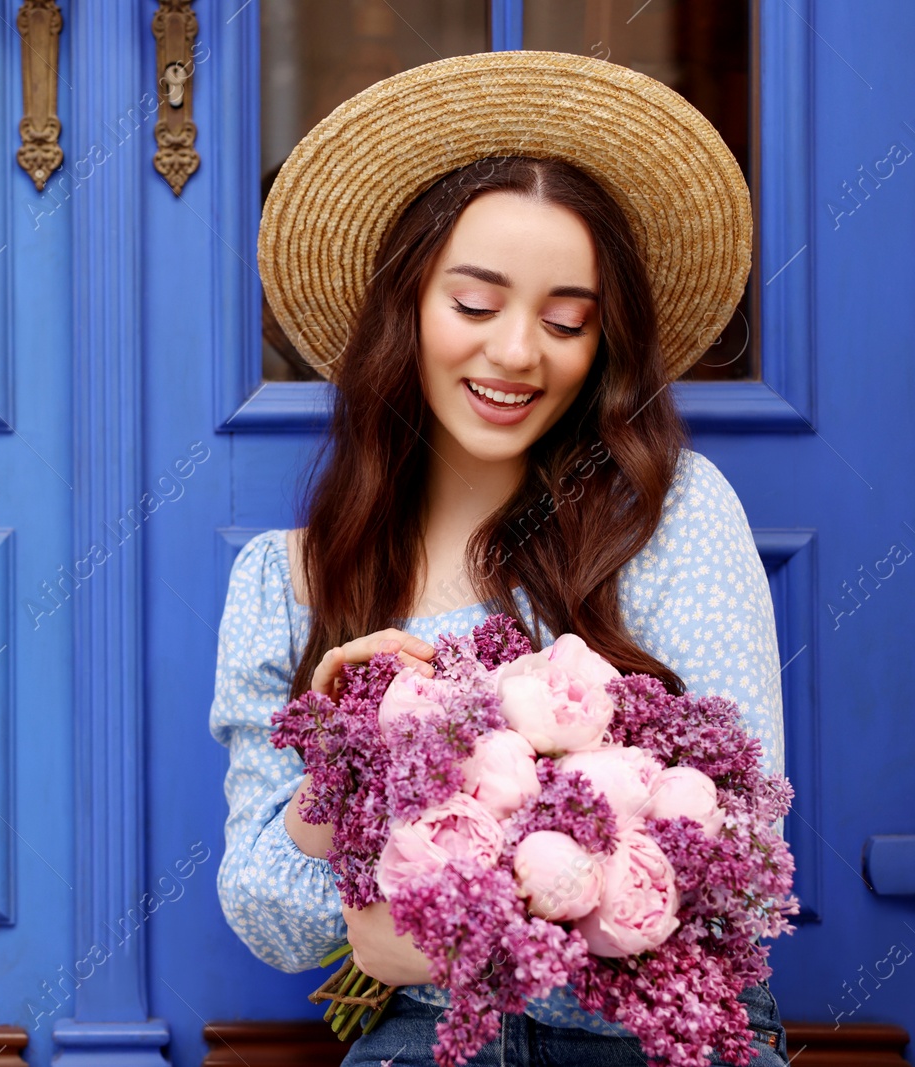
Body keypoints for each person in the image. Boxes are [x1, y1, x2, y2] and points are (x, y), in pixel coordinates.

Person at [209, 51, 789, 1066]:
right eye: (474, 306)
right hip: (416, 1042)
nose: (519, 352)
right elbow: (266, 914)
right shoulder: (286, 578)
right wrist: (340, 773)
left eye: (566, 319)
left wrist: (448, 900)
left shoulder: (671, 515)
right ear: (405, 310)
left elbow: (735, 858)